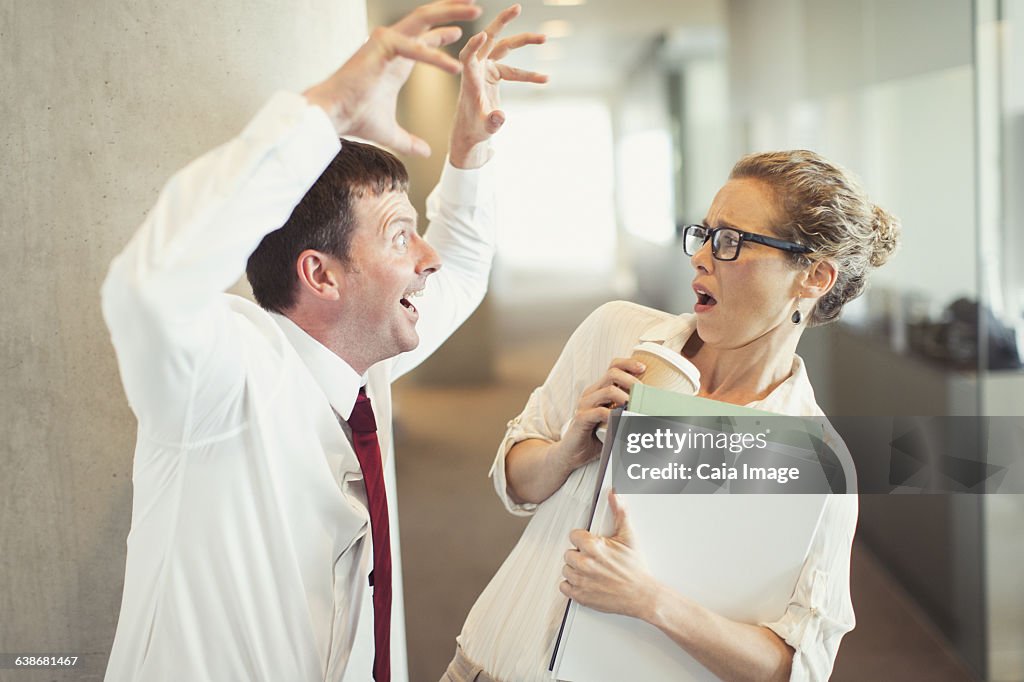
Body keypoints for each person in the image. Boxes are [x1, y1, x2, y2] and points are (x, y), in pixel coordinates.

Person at [100, 2, 546, 680]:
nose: (427, 259)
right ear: (321, 275)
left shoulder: (359, 370)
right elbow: (147, 289)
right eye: (401, 235)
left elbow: (461, 263)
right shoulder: (226, 378)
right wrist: (327, 109)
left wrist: (469, 150)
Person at [446, 150, 900, 682]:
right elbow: (515, 482)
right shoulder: (618, 333)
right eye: (704, 234)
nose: (701, 257)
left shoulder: (813, 460)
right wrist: (568, 449)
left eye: (731, 241)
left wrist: (649, 600)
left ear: (814, 277)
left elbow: (798, 667)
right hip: (482, 666)